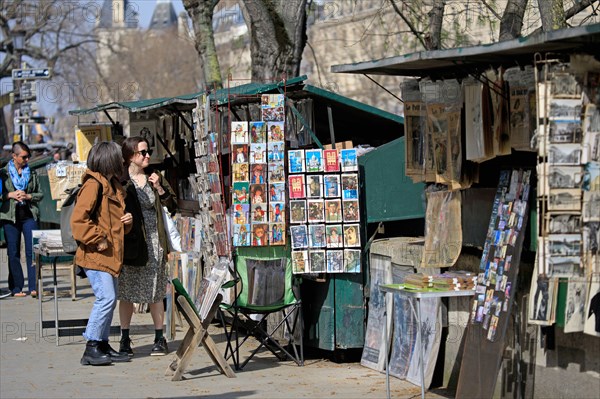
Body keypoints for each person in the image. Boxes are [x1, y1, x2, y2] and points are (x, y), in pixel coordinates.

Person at [71, 141, 133, 365]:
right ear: (109, 159)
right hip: (96, 254)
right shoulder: (93, 185)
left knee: (110, 298)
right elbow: (78, 221)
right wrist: (98, 239)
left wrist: (127, 222)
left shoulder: (112, 184)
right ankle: (91, 346)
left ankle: (102, 343)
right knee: (106, 298)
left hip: (110, 255)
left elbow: (115, 223)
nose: (122, 161)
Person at [118, 136, 178, 357]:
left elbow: (173, 205)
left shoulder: (155, 177)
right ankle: (124, 339)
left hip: (155, 243)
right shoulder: (121, 181)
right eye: (142, 152)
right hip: (132, 244)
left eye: (148, 151)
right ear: (130, 156)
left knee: (156, 291)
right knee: (127, 292)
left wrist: (159, 189)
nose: (147, 156)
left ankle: (159, 337)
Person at [0, 142, 43, 297]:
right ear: (14, 156)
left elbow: (40, 194)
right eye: (24, 157)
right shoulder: (3, 173)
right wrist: (10, 195)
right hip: (10, 217)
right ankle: (16, 288)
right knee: (13, 252)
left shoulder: (31, 173)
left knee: (34, 250)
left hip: (29, 215)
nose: (26, 159)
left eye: (28, 156)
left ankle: (34, 286)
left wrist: (28, 196)